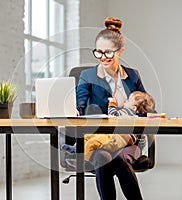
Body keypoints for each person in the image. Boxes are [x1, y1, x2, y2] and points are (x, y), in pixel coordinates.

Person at [75, 16, 150, 200]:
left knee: (118, 158)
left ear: (120, 51)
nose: (103, 58)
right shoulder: (87, 76)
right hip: (101, 137)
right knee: (103, 155)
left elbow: (145, 107)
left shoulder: (132, 76)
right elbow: (80, 102)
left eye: (108, 52)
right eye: (98, 52)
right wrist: (76, 110)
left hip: (130, 138)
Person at [61, 91, 155, 161]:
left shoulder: (128, 112)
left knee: (92, 141)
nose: (125, 101)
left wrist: (112, 104)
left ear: (134, 108)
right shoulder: (138, 120)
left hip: (117, 138)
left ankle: (81, 162)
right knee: (90, 138)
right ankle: (76, 149)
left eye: (128, 100)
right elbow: (142, 140)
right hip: (114, 135)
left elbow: (113, 115)